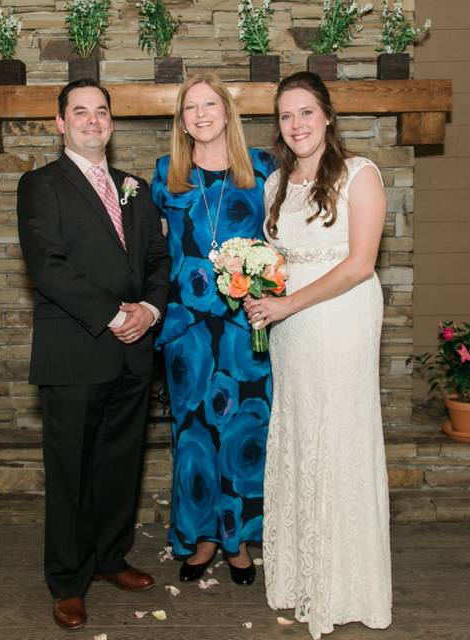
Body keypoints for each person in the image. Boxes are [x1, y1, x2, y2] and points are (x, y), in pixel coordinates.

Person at [16, 79, 171, 631]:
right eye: (79, 112)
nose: (91, 120)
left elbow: (158, 256)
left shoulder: (136, 187)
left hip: (133, 353)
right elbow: (49, 267)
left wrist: (150, 312)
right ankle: (67, 579)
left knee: (119, 464)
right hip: (76, 350)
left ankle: (109, 559)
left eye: (100, 112)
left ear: (111, 122)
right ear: (61, 123)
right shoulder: (40, 185)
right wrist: (114, 316)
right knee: (70, 470)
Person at [244, 71, 393, 639]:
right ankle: (305, 574)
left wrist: (288, 305)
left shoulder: (361, 175)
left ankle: (344, 583)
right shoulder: (275, 183)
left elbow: (360, 264)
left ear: (327, 115)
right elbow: (281, 258)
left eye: (306, 112)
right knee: (302, 435)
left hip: (341, 319)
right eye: (286, 115)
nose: (297, 124)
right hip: (292, 331)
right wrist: (260, 294)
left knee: (337, 436)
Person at [150, 73, 277, 586]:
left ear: (227, 111)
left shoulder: (263, 170)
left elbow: (283, 244)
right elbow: (155, 254)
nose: (200, 114)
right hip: (189, 333)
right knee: (194, 435)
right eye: (189, 107)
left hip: (246, 327)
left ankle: (239, 540)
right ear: (181, 120)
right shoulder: (165, 176)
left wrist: (271, 290)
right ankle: (202, 538)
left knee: (245, 429)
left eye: (209, 104)